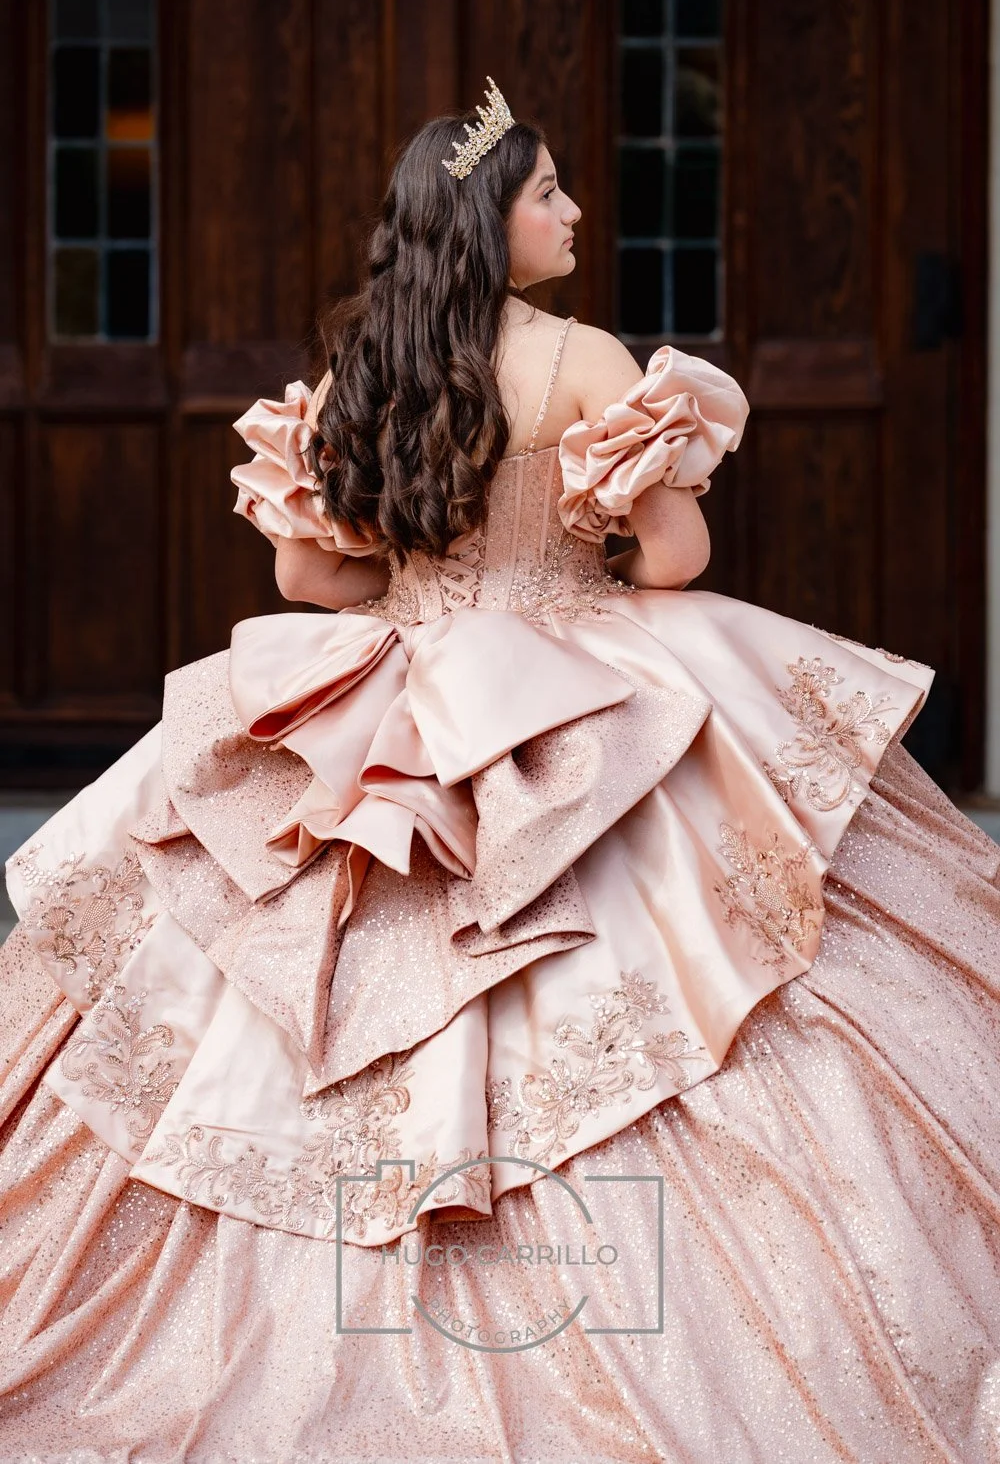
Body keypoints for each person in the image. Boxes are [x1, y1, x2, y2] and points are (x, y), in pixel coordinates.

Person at [1, 76, 998, 1464]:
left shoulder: (364, 366)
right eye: (549, 193)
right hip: (565, 682)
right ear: (491, 221)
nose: (575, 210)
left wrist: (414, 561)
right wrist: (626, 517)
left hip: (392, 700)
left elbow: (315, 576)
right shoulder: (588, 362)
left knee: (277, 947)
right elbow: (678, 565)